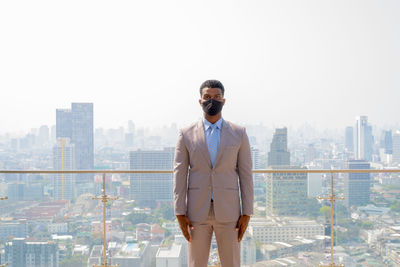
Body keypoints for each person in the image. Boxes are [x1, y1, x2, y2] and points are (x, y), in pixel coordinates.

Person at [173, 79, 254, 267]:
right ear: (200, 101)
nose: (212, 101)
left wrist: (247, 212)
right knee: (196, 263)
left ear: (224, 101)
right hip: (196, 212)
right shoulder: (186, 134)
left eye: (217, 97)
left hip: (230, 211)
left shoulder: (239, 133)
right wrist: (179, 211)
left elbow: (246, 174)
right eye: (207, 97)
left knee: (232, 263)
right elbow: (179, 174)